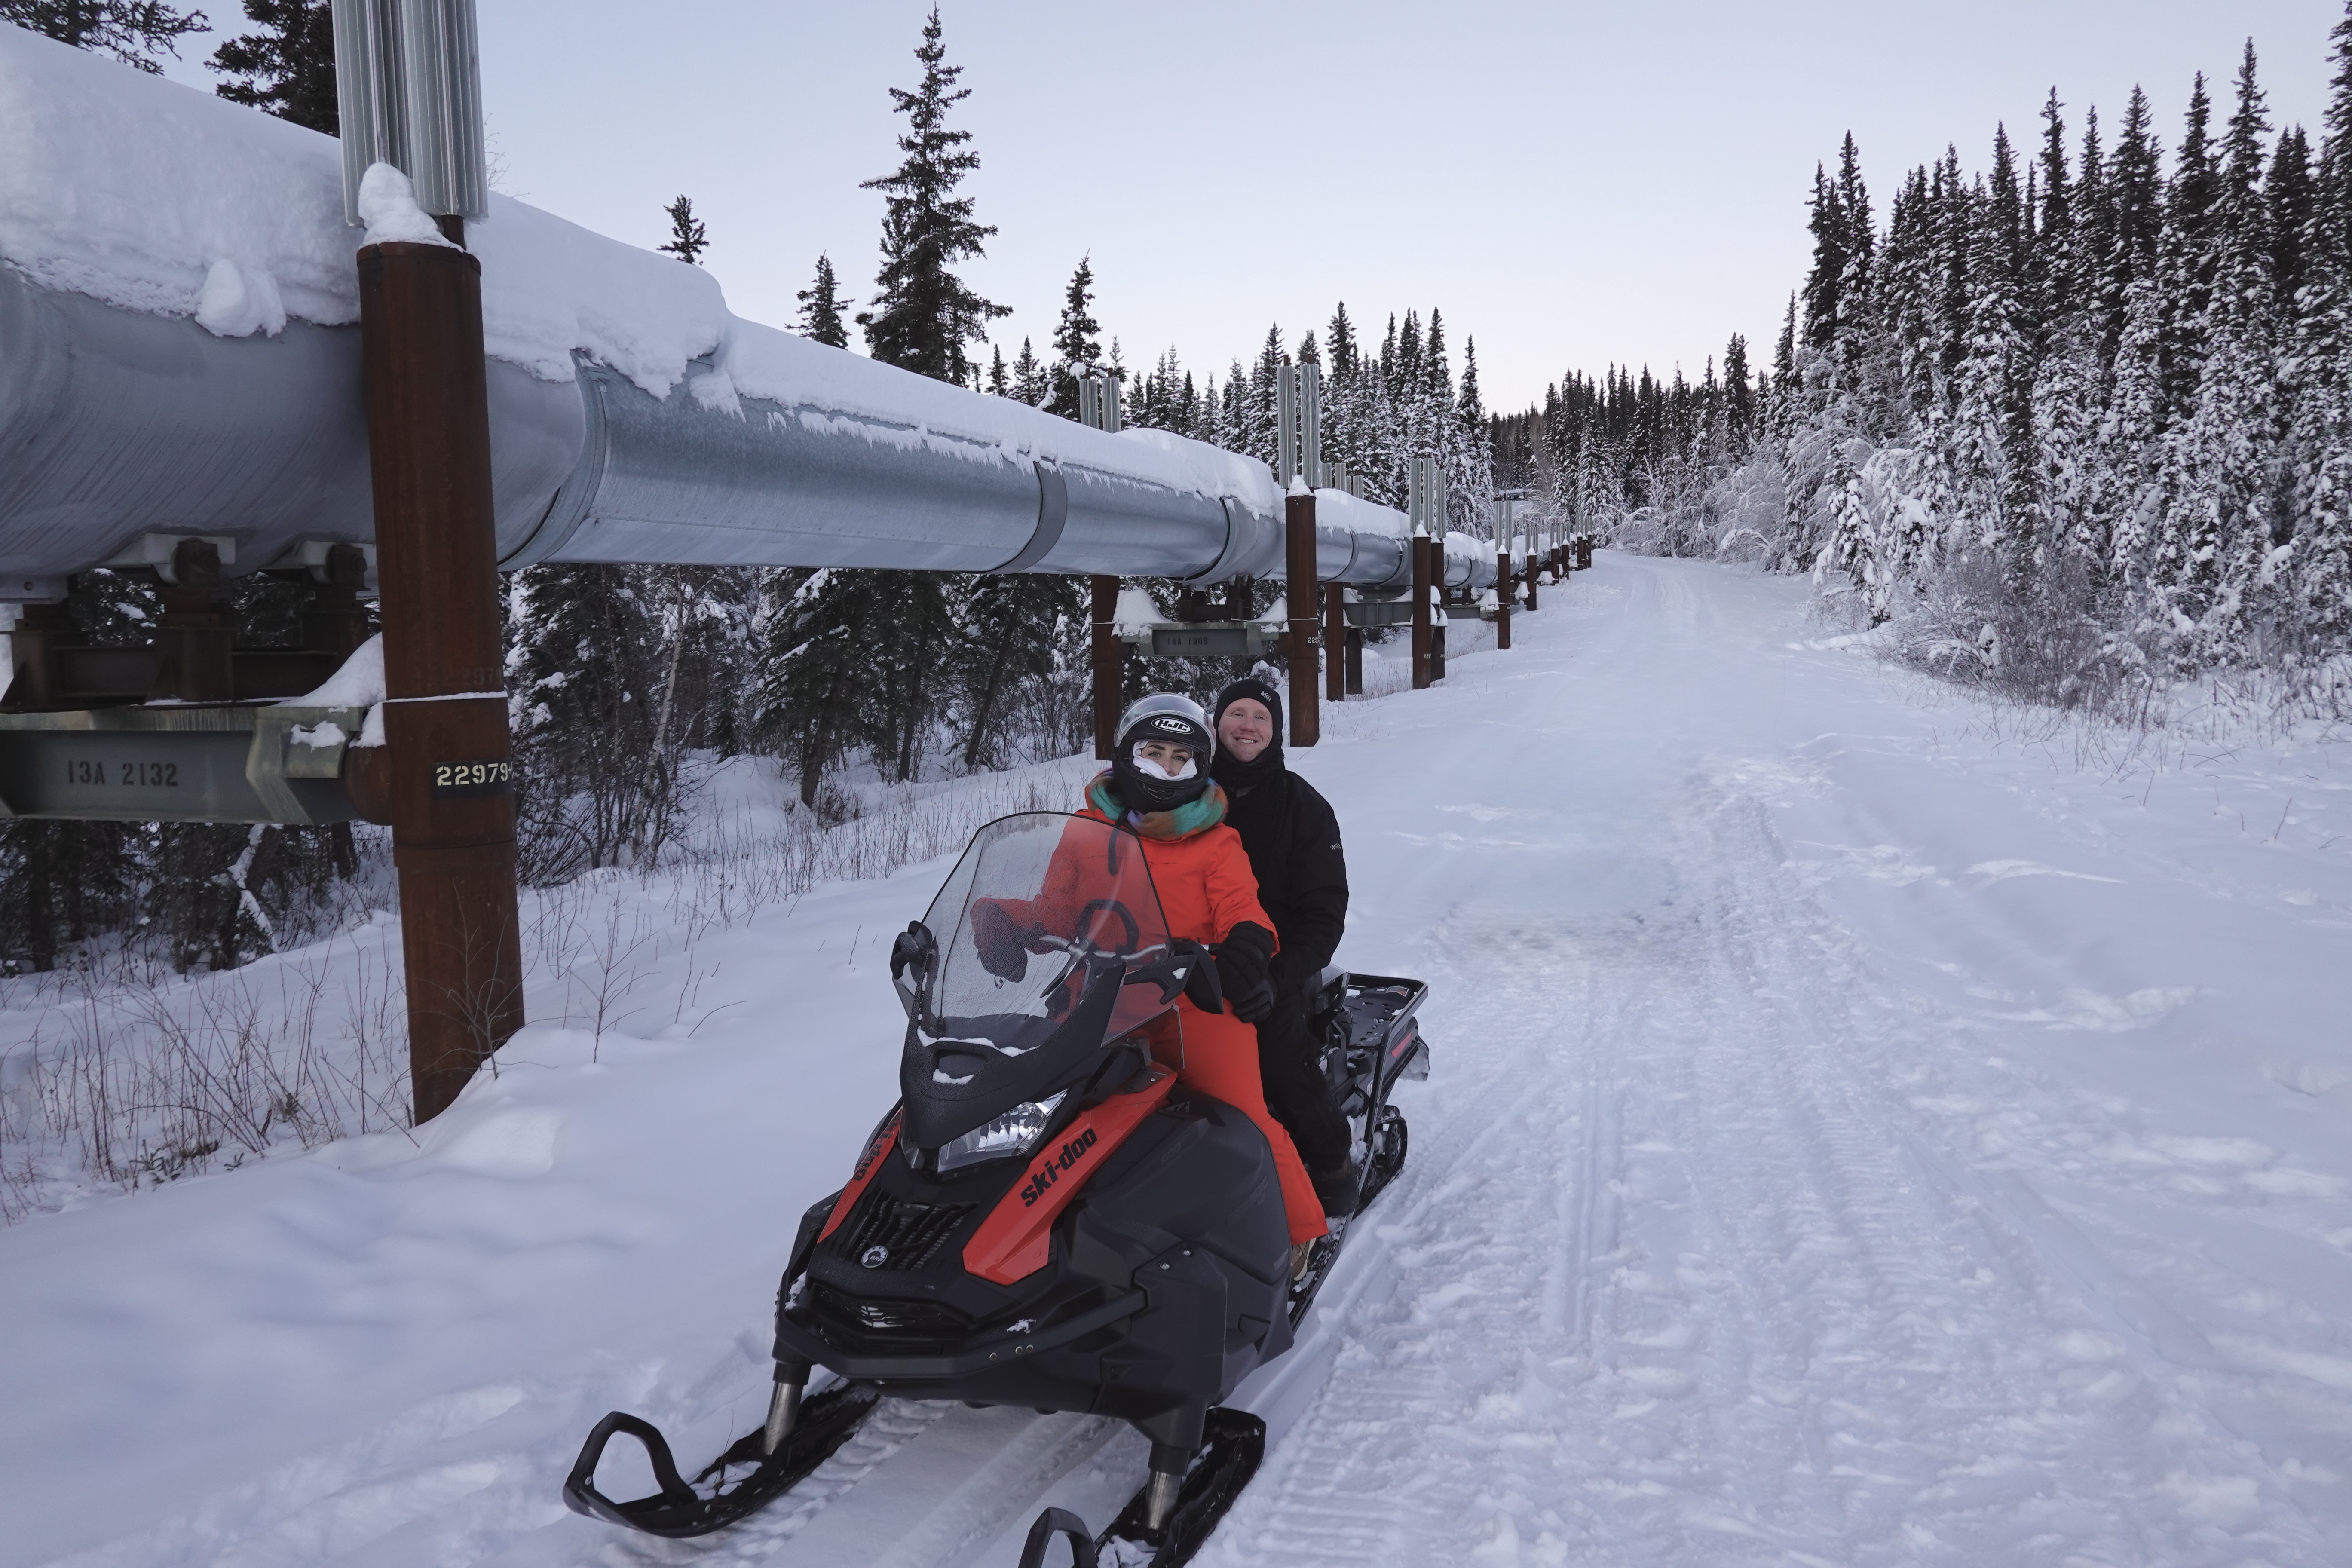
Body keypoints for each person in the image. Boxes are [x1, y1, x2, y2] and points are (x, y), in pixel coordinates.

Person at [1008, 693, 1329, 1253]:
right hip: (1096, 1002)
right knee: (1043, 1116)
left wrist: (1246, 949)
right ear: (1126, 758)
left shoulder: (1215, 840)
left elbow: (1243, 911)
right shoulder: (1087, 830)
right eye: (1153, 753)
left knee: (1243, 1116)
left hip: (1191, 1001)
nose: (1167, 767)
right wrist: (999, 920)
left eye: (1181, 758)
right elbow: (1051, 912)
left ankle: (1299, 1232)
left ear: (1200, 766)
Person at [1209, 676, 1359, 1217]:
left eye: (1261, 717)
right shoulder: (1185, 794)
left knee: (1277, 1054)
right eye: (1237, 714)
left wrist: (1278, 977)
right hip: (1183, 962)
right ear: (1217, 722)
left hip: (1274, 967)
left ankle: (1331, 1161)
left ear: (1275, 732)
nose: (1247, 726)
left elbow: (1324, 913)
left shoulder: (1303, 806)